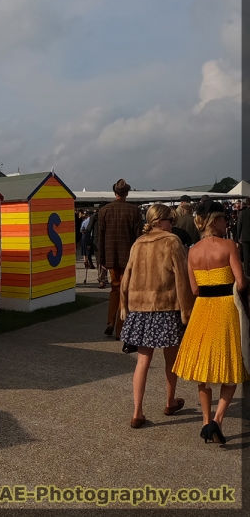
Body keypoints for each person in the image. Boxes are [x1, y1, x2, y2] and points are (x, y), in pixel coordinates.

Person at [172, 198, 248, 445]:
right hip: (226, 307)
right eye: (224, 218)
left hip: (202, 309)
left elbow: (194, 289)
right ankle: (217, 419)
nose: (227, 222)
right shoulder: (228, 246)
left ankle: (206, 421)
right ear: (215, 221)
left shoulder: (192, 251)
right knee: (231, 369)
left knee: (203, 371)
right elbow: (242, 282)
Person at [120, 204, 192, 428]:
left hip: (141, 310)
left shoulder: (138, 243)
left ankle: (137, 412)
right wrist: (187, 311)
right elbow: (182, 278)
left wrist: (124, 304)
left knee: (142, 361)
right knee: (171, 360)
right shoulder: (172, 241)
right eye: (171, 219)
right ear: (160, 220)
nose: (173, 223)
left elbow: (126, 276)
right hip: (166, 307)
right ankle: (170, 401)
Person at [96, 179, 142, 338]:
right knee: (125, 291)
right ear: (127, 193)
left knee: (115, 289)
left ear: (114, 192)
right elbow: (138, 237)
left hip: (111, 256)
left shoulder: (104, 211)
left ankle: (110, 321)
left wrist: (101, 259)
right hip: (129, 256)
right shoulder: (134, 211)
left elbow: (100, 237)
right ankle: (120, 329)